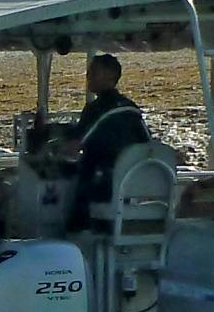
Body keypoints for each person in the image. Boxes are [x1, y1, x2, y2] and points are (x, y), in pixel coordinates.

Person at [62, 53, 149, 227]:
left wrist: (52, 145)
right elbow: (148, 147)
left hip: (102, 186)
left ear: (109, 76)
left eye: (93, 72)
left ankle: (76, 238)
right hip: (130, 187)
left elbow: (74, 146)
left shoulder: (97, 109)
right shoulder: (132, 109)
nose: (88, 76)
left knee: (71, 206)